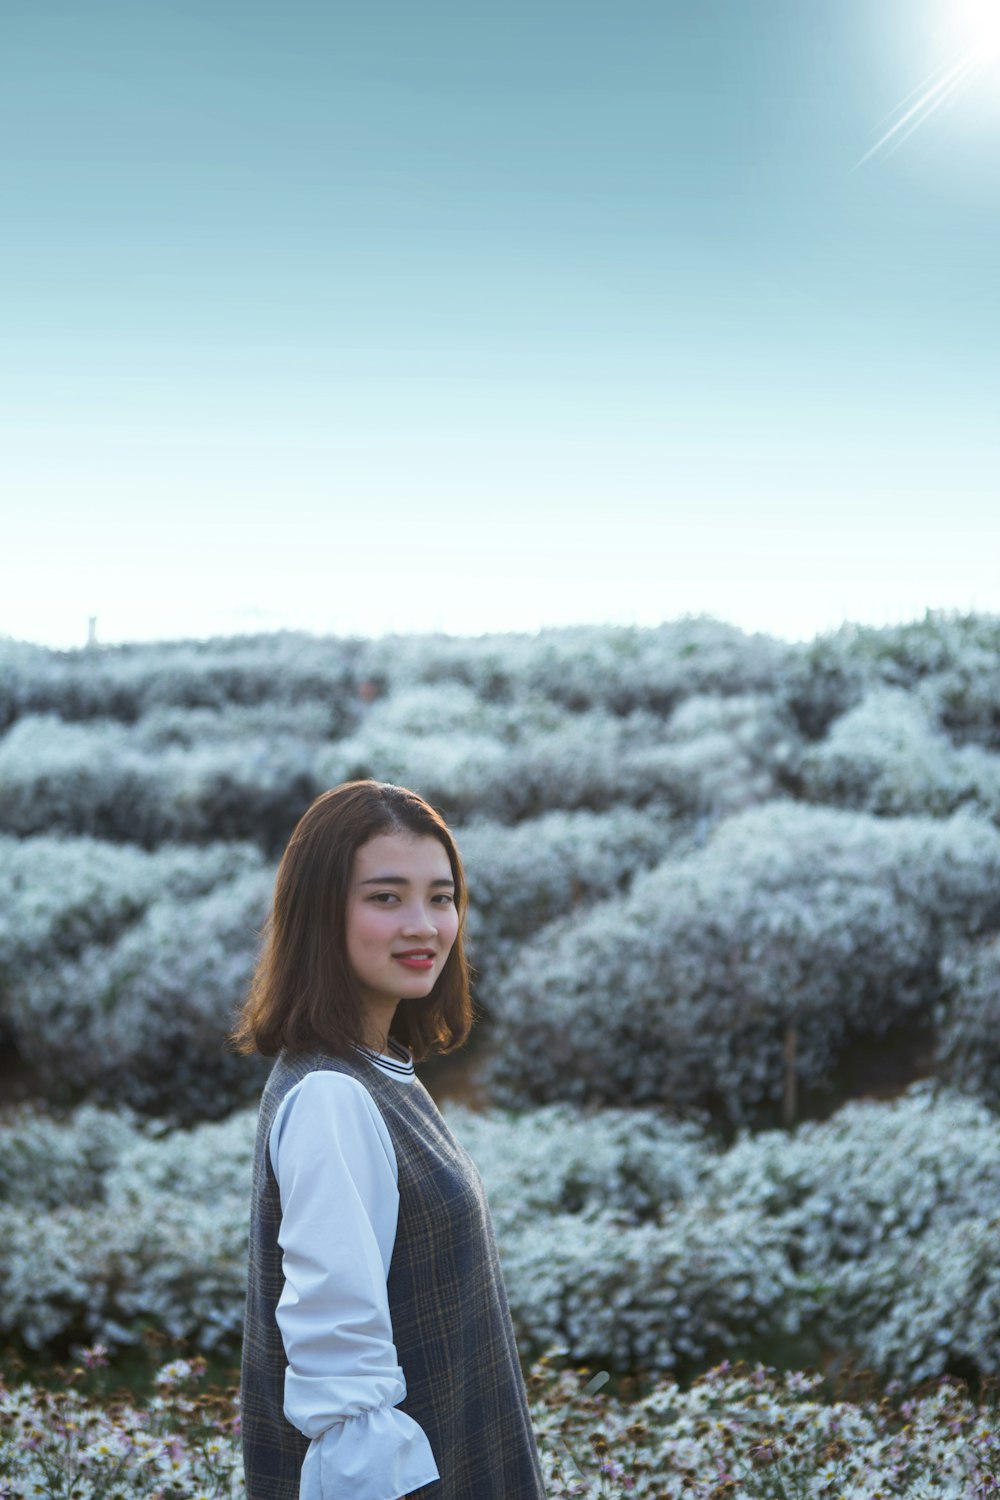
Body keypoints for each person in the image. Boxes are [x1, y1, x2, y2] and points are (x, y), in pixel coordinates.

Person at [233, 779, 547, 1500]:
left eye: (441, 897)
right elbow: (342, 1379)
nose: (425, 925)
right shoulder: (332, 1096)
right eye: (385, 897)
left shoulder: (375, 1070)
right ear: (320, 914)